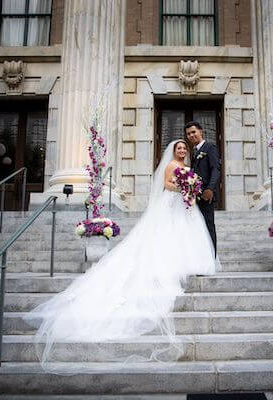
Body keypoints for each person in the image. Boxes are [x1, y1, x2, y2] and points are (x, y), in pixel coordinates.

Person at [23, 139, 216, 366]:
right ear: (174, 151)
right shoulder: (171, 165)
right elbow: (166, 184)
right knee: (168, 235)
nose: (182, 150)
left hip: (184, 206)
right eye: (179, 148)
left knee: (185, 234)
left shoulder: (189, 165)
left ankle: (187, 262)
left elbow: (189, 183)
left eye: (184, 148)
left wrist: (190, 187)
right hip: (171, 203)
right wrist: (184, 186)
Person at [185, 121, 220, 254]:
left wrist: (210, 189)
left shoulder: (210, 147)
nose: (191, 135)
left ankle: (212, 258)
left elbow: (215, 169)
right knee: (199, 228)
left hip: (206, 195)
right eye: (188, 134)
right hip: (195, 196)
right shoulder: (194, 152)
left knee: (208, 226)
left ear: (201, 131)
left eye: (194, 132)